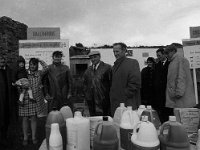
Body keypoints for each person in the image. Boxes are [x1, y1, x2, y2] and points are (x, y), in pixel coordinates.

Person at [19, 58, 48, 146]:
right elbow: (19, 82)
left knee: (33, 118)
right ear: (29, 65)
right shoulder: (25, 72)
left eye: (34, 64)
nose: (32, 66)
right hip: (25, 98)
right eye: (31, 64)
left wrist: (39, 60)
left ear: (37, 65)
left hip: (35, 99)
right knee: (24, 118)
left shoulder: (39, 73)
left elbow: (46, 68)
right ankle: (25, 137)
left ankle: (34, 137)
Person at [110, 42, 141, 116]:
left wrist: (124, 94)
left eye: (117, 51)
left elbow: (135, 83)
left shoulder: (132, 63)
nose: (115, 54)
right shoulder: (114, 66)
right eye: (114, 52)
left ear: (124, 51)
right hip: (116, 104)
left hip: (128, 103)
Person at [164, 44, 196, 111]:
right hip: (176, 97)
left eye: (167, 53)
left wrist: (179, 93)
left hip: (181, 97)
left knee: (182, 118)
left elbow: (181, 77)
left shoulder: (181, 60)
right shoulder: (173, 61)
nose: (166, 56)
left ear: (173, 51)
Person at [83, 51, 112, 116]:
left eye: (95, 57)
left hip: (104, 100)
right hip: (91, 101)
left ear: (99, 57)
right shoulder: (88, 70)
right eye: (91, 58)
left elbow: (111, 83)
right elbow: (85, 85)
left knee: (104, 120)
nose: (93, 59)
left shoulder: (107, 68)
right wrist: (87, 96)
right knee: (94, 120)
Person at [0, 55, 17, 147]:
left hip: (8, 99)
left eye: (3, 59)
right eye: (0, 59)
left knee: (6, 119)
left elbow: (13, 81)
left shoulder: (9, 70)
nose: (2, 60)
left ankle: (4, 137)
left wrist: (14, 84)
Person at [152, 48, 170, 123]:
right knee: (160, 109)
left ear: (164, 54)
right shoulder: (157, 65)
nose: (158, 57)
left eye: (159, 55)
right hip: (158, 92)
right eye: (157, 55)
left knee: (167, 110)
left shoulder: (170, 64)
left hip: (167, 90)